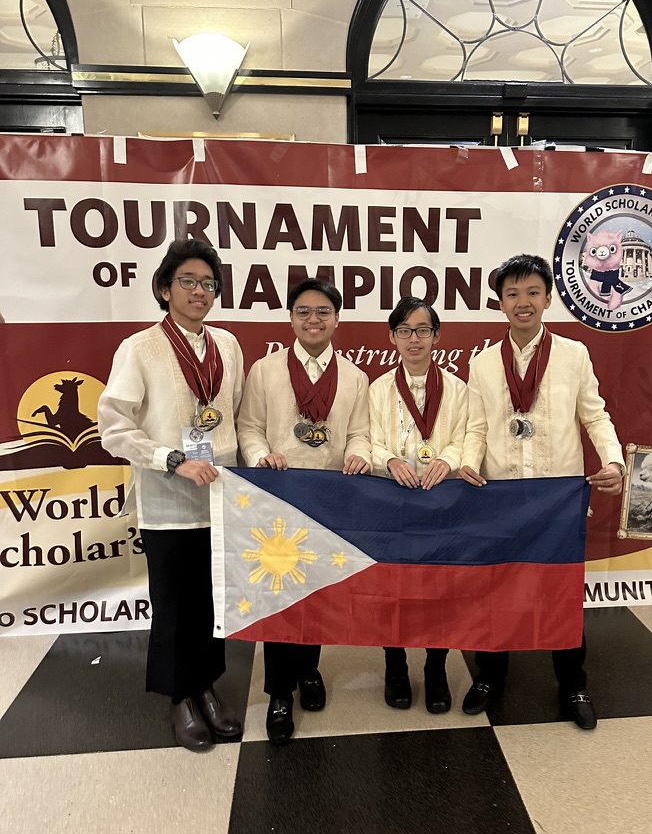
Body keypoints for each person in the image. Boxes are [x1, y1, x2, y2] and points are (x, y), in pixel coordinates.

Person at [459, 254, 624, 730]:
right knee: (496, 591)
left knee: (560, 594)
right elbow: (476, 426)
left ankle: (572, 684)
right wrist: (469, 463)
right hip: (501, 497)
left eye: (532, 292)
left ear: (548, 298)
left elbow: (594, 415)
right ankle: (490, 677)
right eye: (512, 294)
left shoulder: (574, 355)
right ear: (500, 303)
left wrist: (610, 461)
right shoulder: (484, 363)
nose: (523, 302)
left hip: (557, 500)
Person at [98, 240, 244, 752]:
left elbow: (236, 414)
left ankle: (206, 686)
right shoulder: (139, 348)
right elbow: (113, 426)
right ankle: (179, 697)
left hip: (221, 499)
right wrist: (173, 460)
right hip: (168, 499)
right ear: (164, 288)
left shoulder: (227, 345)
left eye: (208, 283)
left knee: (211, 603)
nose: (200, 291)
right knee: (175, 605)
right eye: (188, 281)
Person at [237, 278, 371, 744]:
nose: (313, 319)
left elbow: (359, 432)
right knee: (280, 593)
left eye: (322, 311)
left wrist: (360, 454)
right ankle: (279, 691)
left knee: (318, 592)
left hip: (330, 498)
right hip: (279, 498)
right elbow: (249, 427)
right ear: (290, 318)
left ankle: (310, 670)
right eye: (303, 311)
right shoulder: (265, 371)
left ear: (336, 318)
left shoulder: (354, 377)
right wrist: (259, 457)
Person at [368, 297, 468, 714]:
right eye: (405, 331)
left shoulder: (459, 389)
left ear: (436, 337)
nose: (414, 339)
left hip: (441, 502)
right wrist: (387, 460)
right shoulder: (376, 389)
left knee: (440, 590)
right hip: (392, 502)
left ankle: (436, 667)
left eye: (423, 330)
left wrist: (447, 459)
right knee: (394, 590)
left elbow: (468, 437)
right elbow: (365, 440)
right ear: (392, 337)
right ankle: (395, 666)